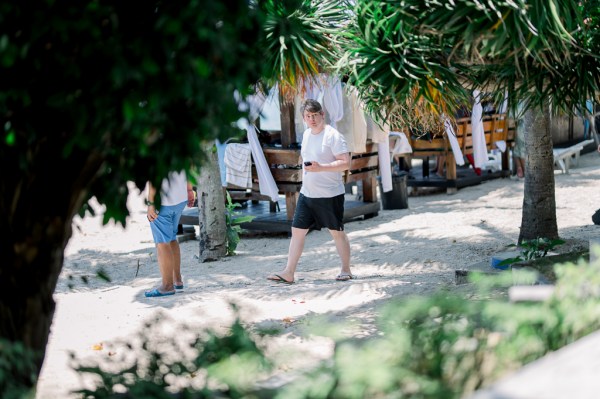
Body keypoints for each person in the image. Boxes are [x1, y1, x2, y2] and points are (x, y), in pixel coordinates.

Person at [267, 99, 353, 284]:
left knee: (336, 232)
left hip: (330, 194)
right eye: (308, 116)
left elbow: (345, 163)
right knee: (297, 231)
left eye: (315, 115)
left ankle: (346, 269)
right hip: (307, 193)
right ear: (304, 118)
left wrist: (321, 167)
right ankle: (289, 272)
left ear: (322, 114)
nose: (312, 119)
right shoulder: (306, 134)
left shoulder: (333, 136)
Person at [145, 170, 195, 297]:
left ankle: (167, 286)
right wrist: (189, 190)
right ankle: (177, 280)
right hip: (180, 198)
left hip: (162, 201)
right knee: (172, 238)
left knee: (162, 243)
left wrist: (151, 203)